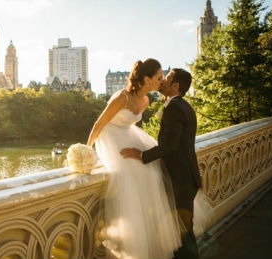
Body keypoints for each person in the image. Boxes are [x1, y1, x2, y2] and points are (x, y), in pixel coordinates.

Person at [87, 59, 182, 259]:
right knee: (130, 176)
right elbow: (99, 124)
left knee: (153, 171)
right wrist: (86, 151)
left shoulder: (146, 101)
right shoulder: (122, 98)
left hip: (128, 135)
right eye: (158, 77)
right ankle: (131, 245)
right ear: (146, 79)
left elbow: (131, 125)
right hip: (111, 138)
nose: (162, 81)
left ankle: (150, 237)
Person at [121, 68, 207, 258]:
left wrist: (142, 155)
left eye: (166, 79)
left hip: (181, 179)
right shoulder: (182, 105)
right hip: (184, 176)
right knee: (181, 230)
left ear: (175, 85)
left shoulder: (175, 107)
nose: (162, 82)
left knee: (182, 233)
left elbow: (170, 146)